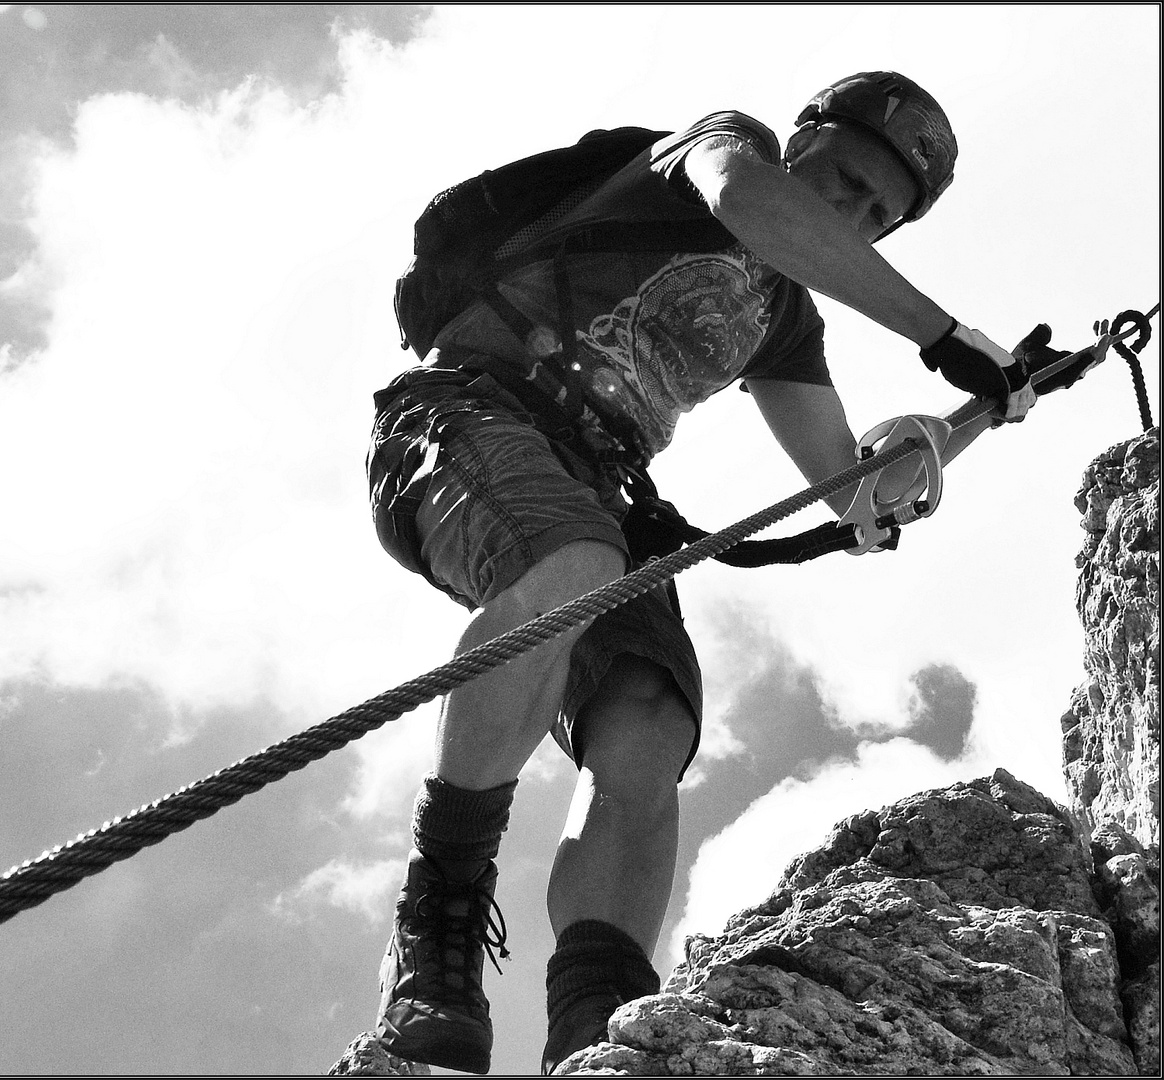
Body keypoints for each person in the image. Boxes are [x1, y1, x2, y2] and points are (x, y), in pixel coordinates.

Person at [363, 72, 1036, 1075]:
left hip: (597, 486)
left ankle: (598, 1024)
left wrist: (974, 414)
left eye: (873, 213)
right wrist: (943, 338)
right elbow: (747, 202)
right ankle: (441, 920)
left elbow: (854, 493)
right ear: (806, 137)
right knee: (575, 562)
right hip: (468, 415)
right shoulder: (721, 147)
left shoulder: (785, 322)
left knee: (649, 721)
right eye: (844, 178)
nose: (849, 211)